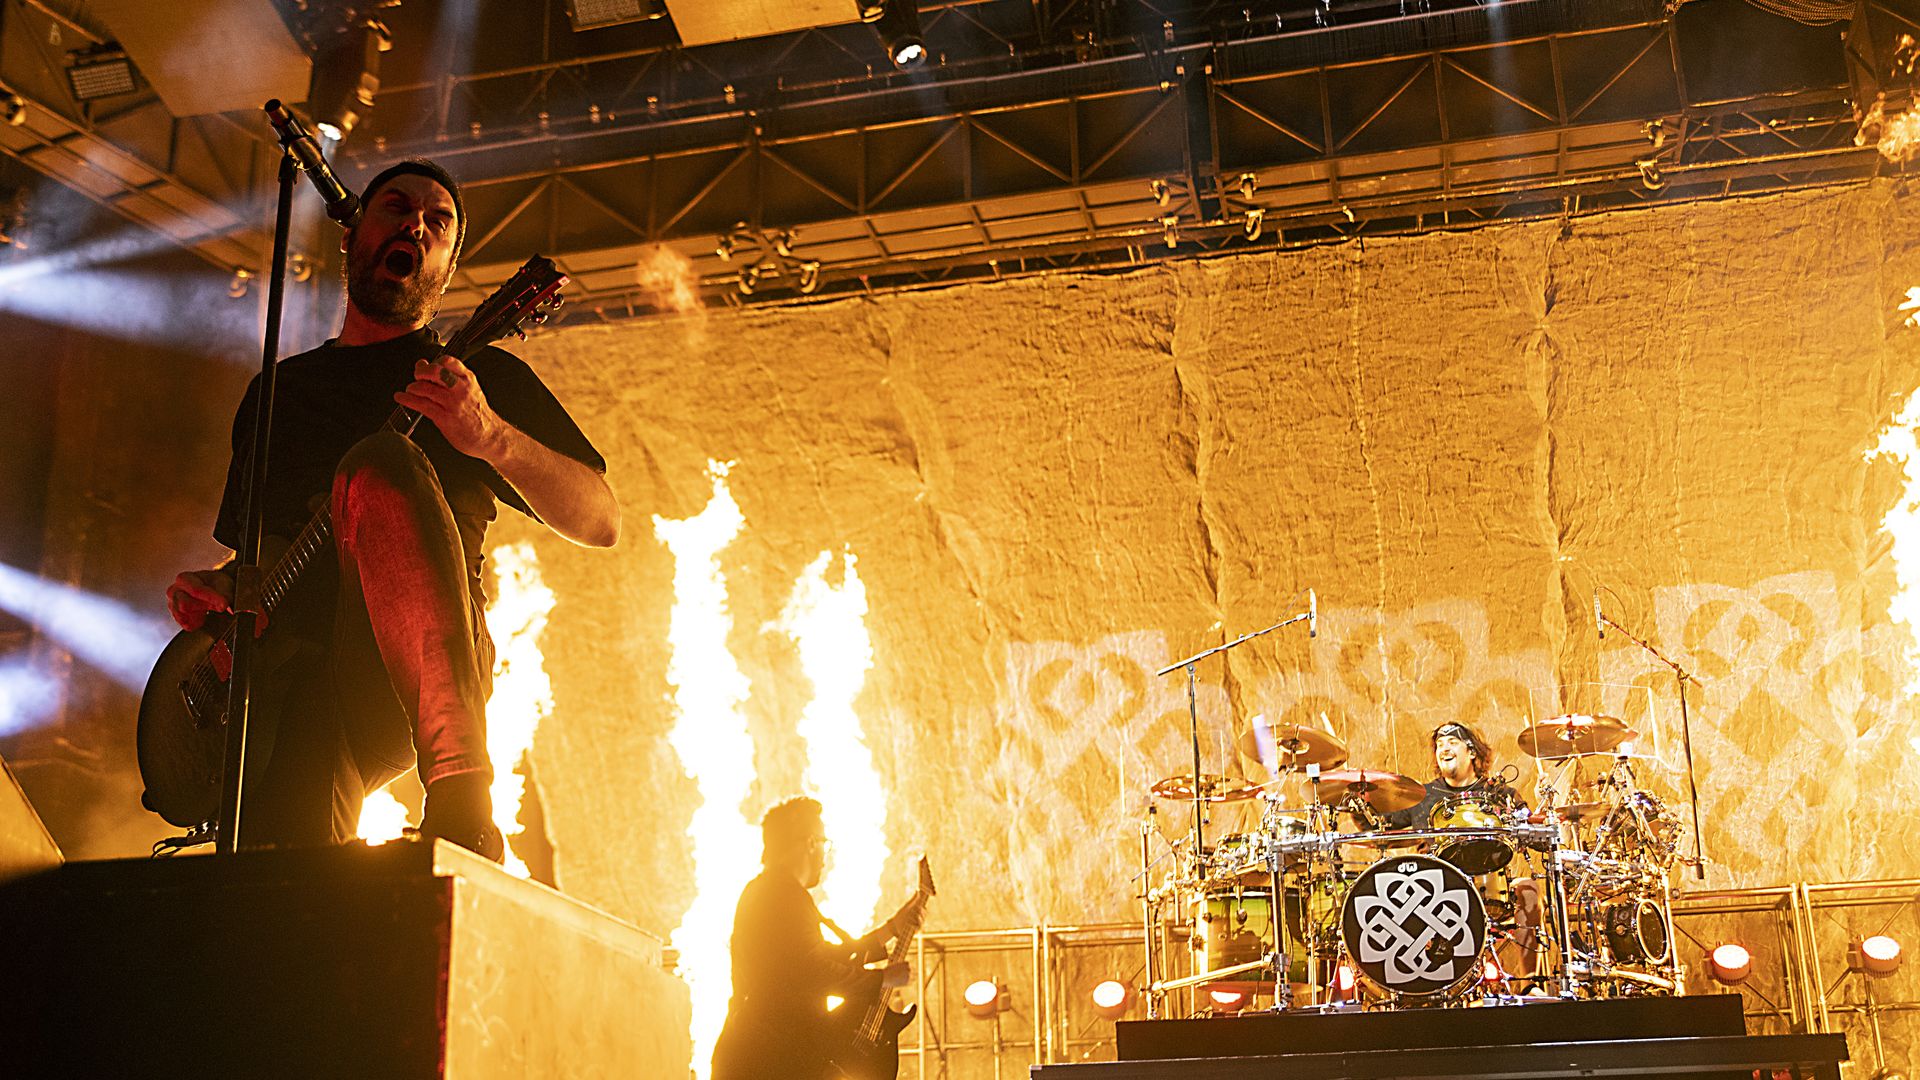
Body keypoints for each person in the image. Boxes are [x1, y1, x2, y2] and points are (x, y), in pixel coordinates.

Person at [164, 159, 619, 860]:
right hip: (291, 685)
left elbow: (600, 519)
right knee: (275, 899)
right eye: (398, 207)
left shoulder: (479, 381)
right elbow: (258, 550)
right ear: (350, 238)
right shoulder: (277, 393)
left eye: (439, 222)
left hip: (406, 674)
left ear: (445, 265)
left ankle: (463, 795)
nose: (416, 223)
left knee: (376, 466)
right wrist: (224, 588)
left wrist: (490, 436)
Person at [713, 797, 921, 1080]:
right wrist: (881, 979)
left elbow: (819, 957)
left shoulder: (773, 892)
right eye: (824, 843)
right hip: (770, 1059)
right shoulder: (780, 896)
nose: (825, 854)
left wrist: (892, 929)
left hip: (766, 1055)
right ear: (810, 843)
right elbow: (811, 970)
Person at [1384, 721, 1543, 979]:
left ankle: (1529, 983)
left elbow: (1534, 833)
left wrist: (1544, 803)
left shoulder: (1499, 793)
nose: (1444, 748)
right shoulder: (1420, 796)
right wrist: (1360, 795)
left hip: (1491, 888)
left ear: (1472, 752)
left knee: (1530, 891)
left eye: (1452, 742)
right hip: (1433, 893)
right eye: (1439, 744)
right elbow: (1378, 824)